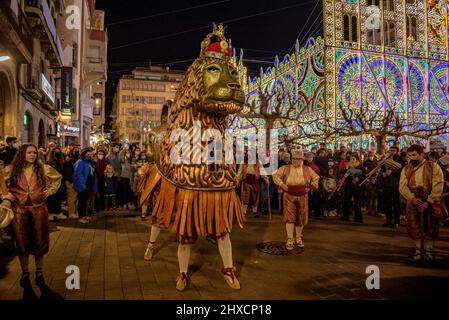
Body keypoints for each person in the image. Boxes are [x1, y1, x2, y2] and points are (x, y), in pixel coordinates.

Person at [0, 144, 62, 299]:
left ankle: (39, 273)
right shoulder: (11, 169)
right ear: (23, 154)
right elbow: (0, 180)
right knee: (21, 242)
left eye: (34, 152)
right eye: (29, 152)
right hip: (19, 211)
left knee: (40, 241)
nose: (33, 155)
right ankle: (25, 273)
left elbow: (57, 178)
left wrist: (48, 192)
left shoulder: (43, 168)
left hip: (39, 210)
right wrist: (5, 195)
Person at [399, 144, 444, 261]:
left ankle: (428, 252)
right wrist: (412, 198)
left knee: (431, 225)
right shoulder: (406, 169)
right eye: (409, 155)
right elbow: (402, 187)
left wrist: (429, 201)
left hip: (429, 199)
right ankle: (418, 251)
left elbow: (438, 184)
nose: (411, 158)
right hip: (413, 200)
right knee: (413, 225)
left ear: (421, 155)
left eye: (414, 155)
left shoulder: (433, 166)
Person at [273, 150, 320, 250]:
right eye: (293, 158)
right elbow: (275, 175)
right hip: (288, 196)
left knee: (301, 218)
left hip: (303, 196)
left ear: (302, 159)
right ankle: (290, 239)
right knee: (289, 218)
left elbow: (316, 178)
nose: (295, 160)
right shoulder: (285, 168)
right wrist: (282, 185)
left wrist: (310, 187)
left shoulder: (307, 169)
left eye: (298, 159)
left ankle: (298, 238)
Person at [73, 148, 98, 224]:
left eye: (91, 154)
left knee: (86, 201)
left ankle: (84, 215)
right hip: (83, 184)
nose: (89, 155)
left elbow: (93, 174)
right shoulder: (80, 162)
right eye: (88, 154)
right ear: (84, 154)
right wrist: (82, 186)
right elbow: (78, 174)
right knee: (82, 201)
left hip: (89, 184)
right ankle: (81, 216)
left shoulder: (91, 162)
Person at [341, 154, 364, 223]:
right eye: (351, 159)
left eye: (353, 159)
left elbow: (364, 176)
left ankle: (358, 218)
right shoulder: (347, 167)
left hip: (357, 187)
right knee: (346, 201)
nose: (352, 160)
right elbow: (344, 175)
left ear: (356, 159)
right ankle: (345, 216)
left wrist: (358, 179)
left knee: (357, 202)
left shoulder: (360, 167)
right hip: (349, 185)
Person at [62, 147, 80, 219]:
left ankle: (75, 211)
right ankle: (71, 212)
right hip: (71, 182)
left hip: (77, 181)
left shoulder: (79, 160)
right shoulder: (69, 161)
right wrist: (71, 181)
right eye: (75, 150)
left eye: (78, 150)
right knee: (72, 197)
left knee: (76, 198)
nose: (77, 152)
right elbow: (68, 172)